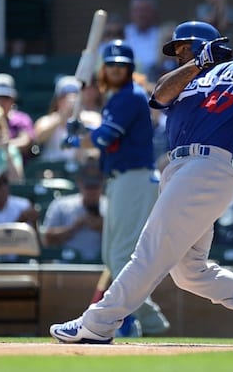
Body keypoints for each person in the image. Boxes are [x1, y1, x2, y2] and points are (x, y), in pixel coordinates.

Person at [50, 20, 233, 345]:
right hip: (179, 169)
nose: (179, 53)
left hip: (207, 165)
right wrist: (198, 62)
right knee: (189, 272)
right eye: (177, 50)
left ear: (205, 43)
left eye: (185, 47)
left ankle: (97, 323)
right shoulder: (182, 79)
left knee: (149, 251)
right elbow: (158, 95)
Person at [61, 39, 170, 336]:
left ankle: (137, 321)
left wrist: (77, 137)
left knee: (121, 256)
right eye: (111, 65)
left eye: (122, 65)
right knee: (112, 257)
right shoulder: (118, 98)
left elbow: (105, 138)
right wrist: (82, 132)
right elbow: (104, 136)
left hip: (135, 177)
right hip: (123, 179)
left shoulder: (131, 96)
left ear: (130, 68)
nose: (116, 69)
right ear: (103, 70)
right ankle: (146, 317)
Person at [41, 158, 105, 263]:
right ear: (80, 183)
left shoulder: (110, 207)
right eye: (88, 186)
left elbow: (123, 244)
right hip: (67, 268)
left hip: (101, 268)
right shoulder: (61, 204)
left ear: (102, 183)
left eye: (95, 186)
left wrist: (104, 228)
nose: (92, 191)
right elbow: (47, 240)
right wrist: (74, 227)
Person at [33, 75, 101, 163]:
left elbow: (98, 136)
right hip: (53, 170)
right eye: (64, 97)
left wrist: (77, 116)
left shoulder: (93, 117)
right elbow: (37, 138)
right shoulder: (47, 120)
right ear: (57, 99)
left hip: (81, 170)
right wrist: (63, 116)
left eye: (75, 96)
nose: (70, 100)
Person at [0, 163, 38, 229]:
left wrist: (34, 223)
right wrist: (19, 222)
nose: (3, 187)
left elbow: (34, 238)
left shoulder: (24, 205)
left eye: (5, 181)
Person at [124, 0, 160, 80]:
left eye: (145, 10)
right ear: (131, 12)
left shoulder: (160, 35)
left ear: (154, 13)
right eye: (137, 10)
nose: (141, 14)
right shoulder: (123, 34)